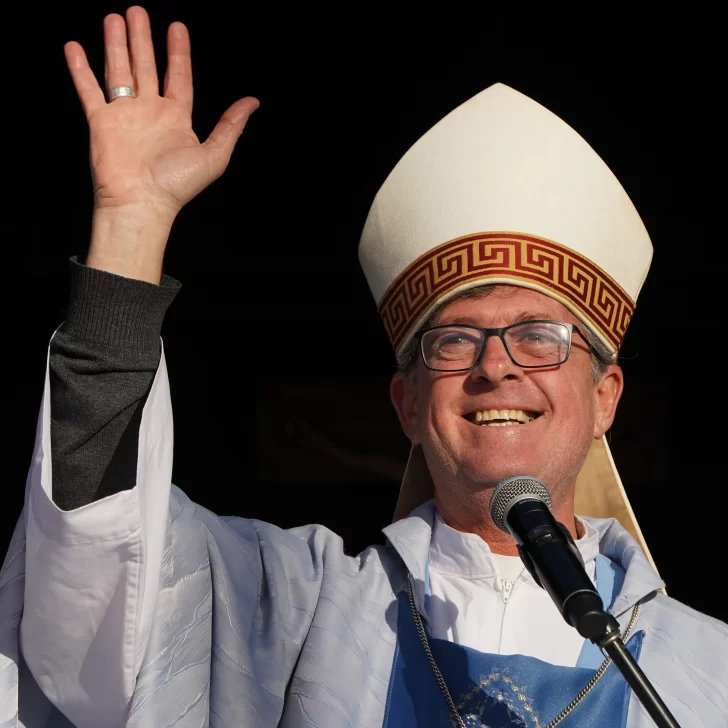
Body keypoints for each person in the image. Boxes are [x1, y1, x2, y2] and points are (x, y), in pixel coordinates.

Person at [0, 6, 726, 728]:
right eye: (454, 340)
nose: (496, 367)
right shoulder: (288, 612)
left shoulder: (704, 673)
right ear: (407, 404)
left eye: (538, 337)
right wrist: (132, 224)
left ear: (606, 396)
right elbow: (98, 582)